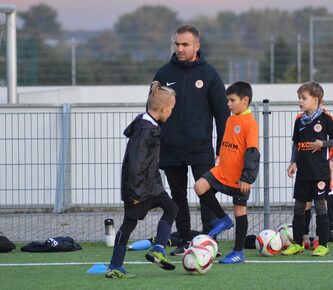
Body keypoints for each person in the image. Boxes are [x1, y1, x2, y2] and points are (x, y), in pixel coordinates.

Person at [153, 24, 230, 256]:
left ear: (197, 46)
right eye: (177, 44)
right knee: (177, 197)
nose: (180, 48)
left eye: (185, 44)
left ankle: (208, 241)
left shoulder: (209, 74)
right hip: (170, 149)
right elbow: (153, 112)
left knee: (205, 193)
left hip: (200, 149)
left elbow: (222, 114)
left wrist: (221, 148)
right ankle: (185, 240)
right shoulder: (164, 74)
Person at [105, 81, 178, 279]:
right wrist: (135, 193)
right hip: (138, 189)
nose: (171, 112)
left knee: (172, 208)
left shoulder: (150, 125)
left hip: (152, 186)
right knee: (128, 224)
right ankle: (114, 266)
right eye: (171, 108)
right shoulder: (145, 130)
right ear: (163, 109)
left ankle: (158, 249)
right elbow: (136, 164)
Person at [194, 81, 260, 264]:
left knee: (240, 211)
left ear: (245, 100)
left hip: (240, 178)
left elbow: (252, 151)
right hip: (222, 171)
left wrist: (247, 178)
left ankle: (238, 252)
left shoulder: (250, 123)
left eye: (232, 100)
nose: (228, 104)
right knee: (199, 186)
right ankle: (223, 219)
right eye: (227, 100)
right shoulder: (231, 119)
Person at [283, 81, 333, 257]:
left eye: (304, 98)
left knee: (320, 207)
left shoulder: (327, 119)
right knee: (298, 207)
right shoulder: (299, 120)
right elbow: (296, 144)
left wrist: (326, 149)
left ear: (316, 100)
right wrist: (292, 162)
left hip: (320, 172)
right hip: (303, 172)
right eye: (299, 98)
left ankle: (323, 245)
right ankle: (298, 244)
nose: (300, 102)